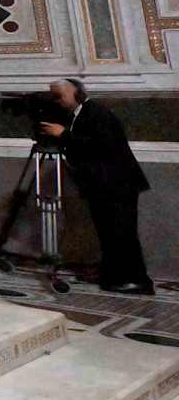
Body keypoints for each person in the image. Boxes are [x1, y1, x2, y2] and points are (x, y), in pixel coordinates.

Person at [39, 78, 152, 293]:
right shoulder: (80, 114)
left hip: (116, 184)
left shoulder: (96, 112)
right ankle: (114, 275)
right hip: (104, 184)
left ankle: (136, 281)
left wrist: (63, 134)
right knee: (109, 233)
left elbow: (102, 146)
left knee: (122, 233)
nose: (57, 101)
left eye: (59, 96)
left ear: (76, 93)